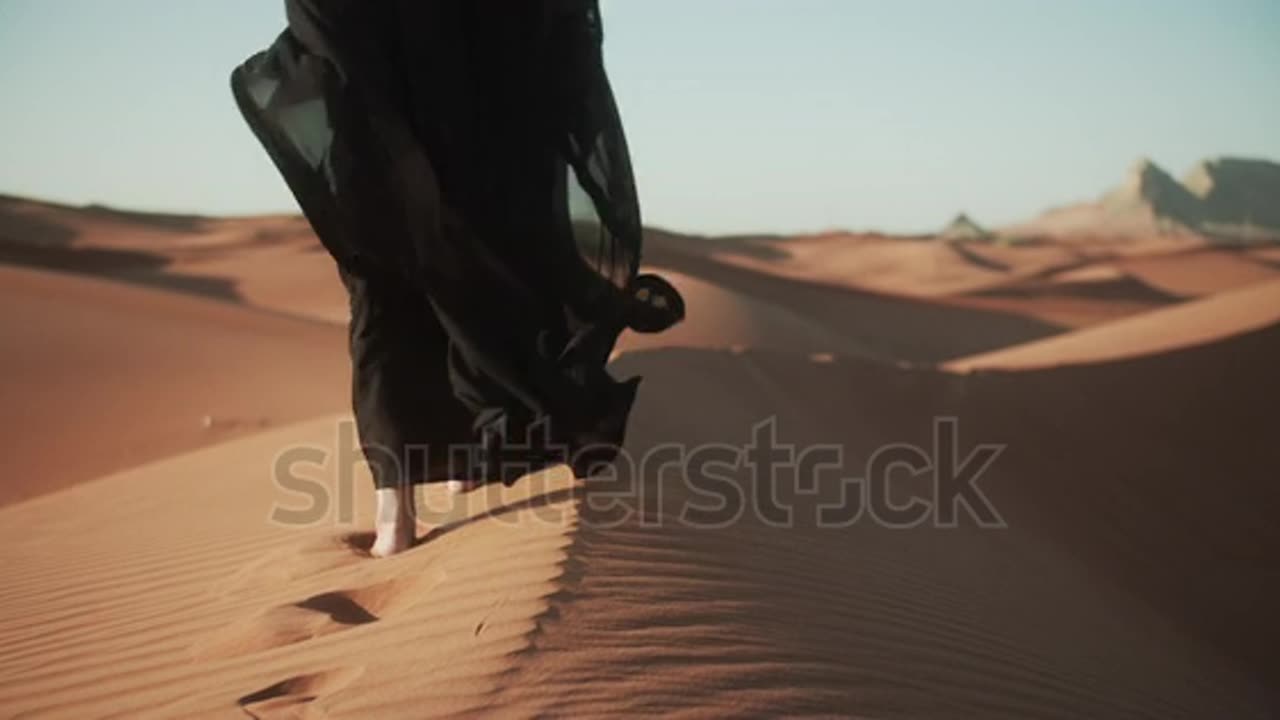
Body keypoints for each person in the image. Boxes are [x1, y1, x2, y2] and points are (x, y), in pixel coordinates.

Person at [232, 0, 684, 557]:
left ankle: (435, 480)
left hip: (452, 99)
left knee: (448, 276)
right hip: (402, 104)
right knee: (394, 281)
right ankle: (411, 493)